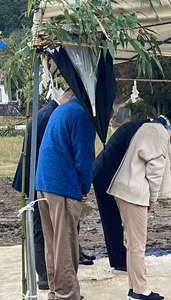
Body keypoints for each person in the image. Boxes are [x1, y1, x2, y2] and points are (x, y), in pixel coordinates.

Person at [107, 110, 171, 300]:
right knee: (137, 244)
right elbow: (155, 169)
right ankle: (140, 290)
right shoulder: (158, 132)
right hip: (134, 192)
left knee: (133, 243)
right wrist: (153, 198)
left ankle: (135, 288)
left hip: (128, 189)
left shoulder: (152, 127)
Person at [12, 88, 75, 290]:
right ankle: (44, 277)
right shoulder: (51, 115)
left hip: (36, 176)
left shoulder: (45, 112)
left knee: (43, 226)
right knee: (42, 228)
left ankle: (47, 275)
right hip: (38, 179)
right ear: (70, 98)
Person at [35, 94, 96, 300]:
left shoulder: (63, 109)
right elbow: (84, 158)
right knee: (65, 244)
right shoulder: (82, 114)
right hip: (62, 185)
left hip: (44, 183)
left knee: (52, 243)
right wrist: (84, 187)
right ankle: (67, 295)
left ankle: (56, 291)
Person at [92, 118, 151, 273]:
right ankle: (121, 262)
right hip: (107, 175)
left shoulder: (139, 127)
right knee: (113, 219)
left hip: (107, 171)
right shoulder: (143, 132)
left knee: (115, 219)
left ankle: (121, 260)